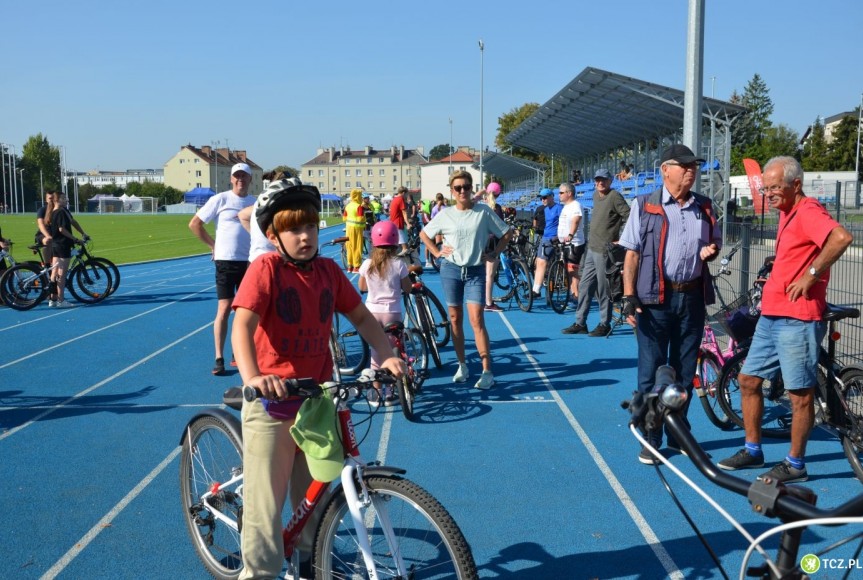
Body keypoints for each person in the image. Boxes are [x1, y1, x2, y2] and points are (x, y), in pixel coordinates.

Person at [231, 179, 405, 579]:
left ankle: (309, 561)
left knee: (314, 506)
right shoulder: (267, 269)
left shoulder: (327, 271)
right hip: (272, 405)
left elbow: (361, 316)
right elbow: (242, 325)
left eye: (309, 226)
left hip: (315, 403)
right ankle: (258, 573)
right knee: (264, 519)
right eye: (293, 228)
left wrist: (388, 356)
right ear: (274, 235)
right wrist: (254, 376)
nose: (305, 235)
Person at [717, 156, 853, 483]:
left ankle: (795, 465)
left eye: (775, 187)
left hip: (797, 319)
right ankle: (752, 449)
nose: (769, 193)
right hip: (773, 315)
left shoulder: (807, 211)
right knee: (749, 380)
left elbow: (840, 238)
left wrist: (810, 275)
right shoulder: (786, 211)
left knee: (799, 395)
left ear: (796, 184)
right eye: (766, 188)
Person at [618, 144, 721, 465]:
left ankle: (678, 433)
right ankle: (652, 435)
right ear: (665, 169)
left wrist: (713, 251)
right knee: (651, 370)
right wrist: (628, 295)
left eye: (695, 167)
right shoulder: (644, 205)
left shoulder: (704, 206)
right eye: (684, 165)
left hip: (691, 297)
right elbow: (631, 253)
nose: (691, 171)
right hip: (653, 299)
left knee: (684, 369)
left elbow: (715, 242)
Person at [420, 170, 512, 390]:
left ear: (472, 188)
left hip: (475, 271)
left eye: (466, 187)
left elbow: (506, 233)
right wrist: (436, 251)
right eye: (458, 188)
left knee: (477, 320)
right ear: (452, 191)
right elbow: (425, 234)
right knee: (454, 318)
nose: (462, 191)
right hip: (451, 269)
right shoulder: (445, 214)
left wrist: (494, 253)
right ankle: (462, 365)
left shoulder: (483, 213)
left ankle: (487, 371)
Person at [189, 162, 256, 375]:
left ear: (250, 179)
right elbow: (195, 224)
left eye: (244, 176)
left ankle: (241, 352)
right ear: (231, 179)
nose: (240, 180)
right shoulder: (220, 199)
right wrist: (213, 245)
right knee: (224, 308)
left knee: (247, 311)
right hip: (226, 261)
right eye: (236, 176)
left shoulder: (255, 203)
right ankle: (219, 357)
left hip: (250, 262)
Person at [563, 168, 630, 337]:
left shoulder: (615, 196)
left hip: (605, 251)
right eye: (598, 180)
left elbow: (628, 216)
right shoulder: (595, 195)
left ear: (610, 181)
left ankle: (604, 323)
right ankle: (580, 322)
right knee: (585, 286)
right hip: (592, 248)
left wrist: (621, 239)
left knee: (603, 289)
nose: (600, 183)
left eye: (604, 180)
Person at [358, 220, 413, 406]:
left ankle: (375, 392)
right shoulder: (399, 264)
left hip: (372, 313)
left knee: (375, 353)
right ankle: (390, 392)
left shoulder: (367, 264)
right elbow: (407, 288)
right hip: (392, 312)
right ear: (396, 242)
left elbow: (362, 287)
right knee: (391, 353)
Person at [49, 193, 83, 308]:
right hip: (63, 245)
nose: (66, 200)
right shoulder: (61, 212)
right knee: (62, 275)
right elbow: (62, 229)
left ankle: (52, 299)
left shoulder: (53, 212)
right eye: (63, 198)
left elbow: (70, 223)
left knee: (54, 273)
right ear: (57, 200)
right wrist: (75, 238)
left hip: (55, 244)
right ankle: (61, 300)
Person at [556, 181, 585, 305]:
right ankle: (573, 294)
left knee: (572, 269)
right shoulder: (566, 206)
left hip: (574, 243)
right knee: (568, 270)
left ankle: (577, 295)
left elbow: (576, 220)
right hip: (564, 243)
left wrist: (570, 235)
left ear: (569, 193)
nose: (559, 195)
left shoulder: (575, 205)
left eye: (561, 192)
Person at [531, 188, 562, 298]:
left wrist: (559, 236)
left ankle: (536, 290)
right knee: (538, 262)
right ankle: (536, 288)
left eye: (544, 197)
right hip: (545, 237)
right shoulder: (545, 210)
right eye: (541, 198)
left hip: (553, 238)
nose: (542, 200)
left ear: (551, 197)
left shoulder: (559, 208)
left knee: (542, 262)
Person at [483, 184, 505, 312]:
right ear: (498, 194)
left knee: (482, 273)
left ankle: (483, 299)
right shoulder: (496, 208)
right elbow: (501, 227)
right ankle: (488, 302)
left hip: (482, 241)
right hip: (493, 242)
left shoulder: (482, 206)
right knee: (490, 274)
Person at [342, 188, 366, 273]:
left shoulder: (348, 206)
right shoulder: (359, 206)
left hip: (348, 228)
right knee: (357, 247)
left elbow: (344, 218)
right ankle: (357, 266)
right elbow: (360, 218)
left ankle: (350, 266)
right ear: (358, 196)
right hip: (357, 229)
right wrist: (364, 223)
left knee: (349, 247)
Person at [389, 186, 409, 255]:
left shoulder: (394, 199)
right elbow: (404, 212)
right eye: (406, 194)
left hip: (393, 222)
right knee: (402, 240)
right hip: (398, 222)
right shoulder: (401, 199)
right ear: (403, 193)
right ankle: (404, 249)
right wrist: (408, 223)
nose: (406, 196)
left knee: (398, 239)